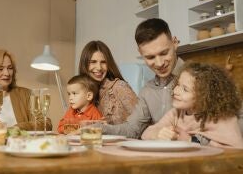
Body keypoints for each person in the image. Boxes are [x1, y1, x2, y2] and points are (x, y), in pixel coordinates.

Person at [102, 18, 243, 138]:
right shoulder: (147, 91)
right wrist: (99, 129)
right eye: (150, 57)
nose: (159, 63)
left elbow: (238, 116)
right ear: (141, 53)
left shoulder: (200, 77)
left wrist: (201, 140)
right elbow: (132, 129)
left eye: (164, 53)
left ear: (175, 43)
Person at [142, 62, 243, 148]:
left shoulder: (219, 116)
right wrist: (158, 134)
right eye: (178, 84)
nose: (176, 91)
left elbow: (234, 148)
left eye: (185, 89)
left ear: (204, 96)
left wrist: (191, 140)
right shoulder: (175, 113)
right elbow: (146, 133)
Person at [78, 40, 137, 125]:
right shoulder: (83, 92)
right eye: (93, 62)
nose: (99, 67)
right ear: (84, 65)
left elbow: (143, 121)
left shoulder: (119, 87)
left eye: (103, 62)